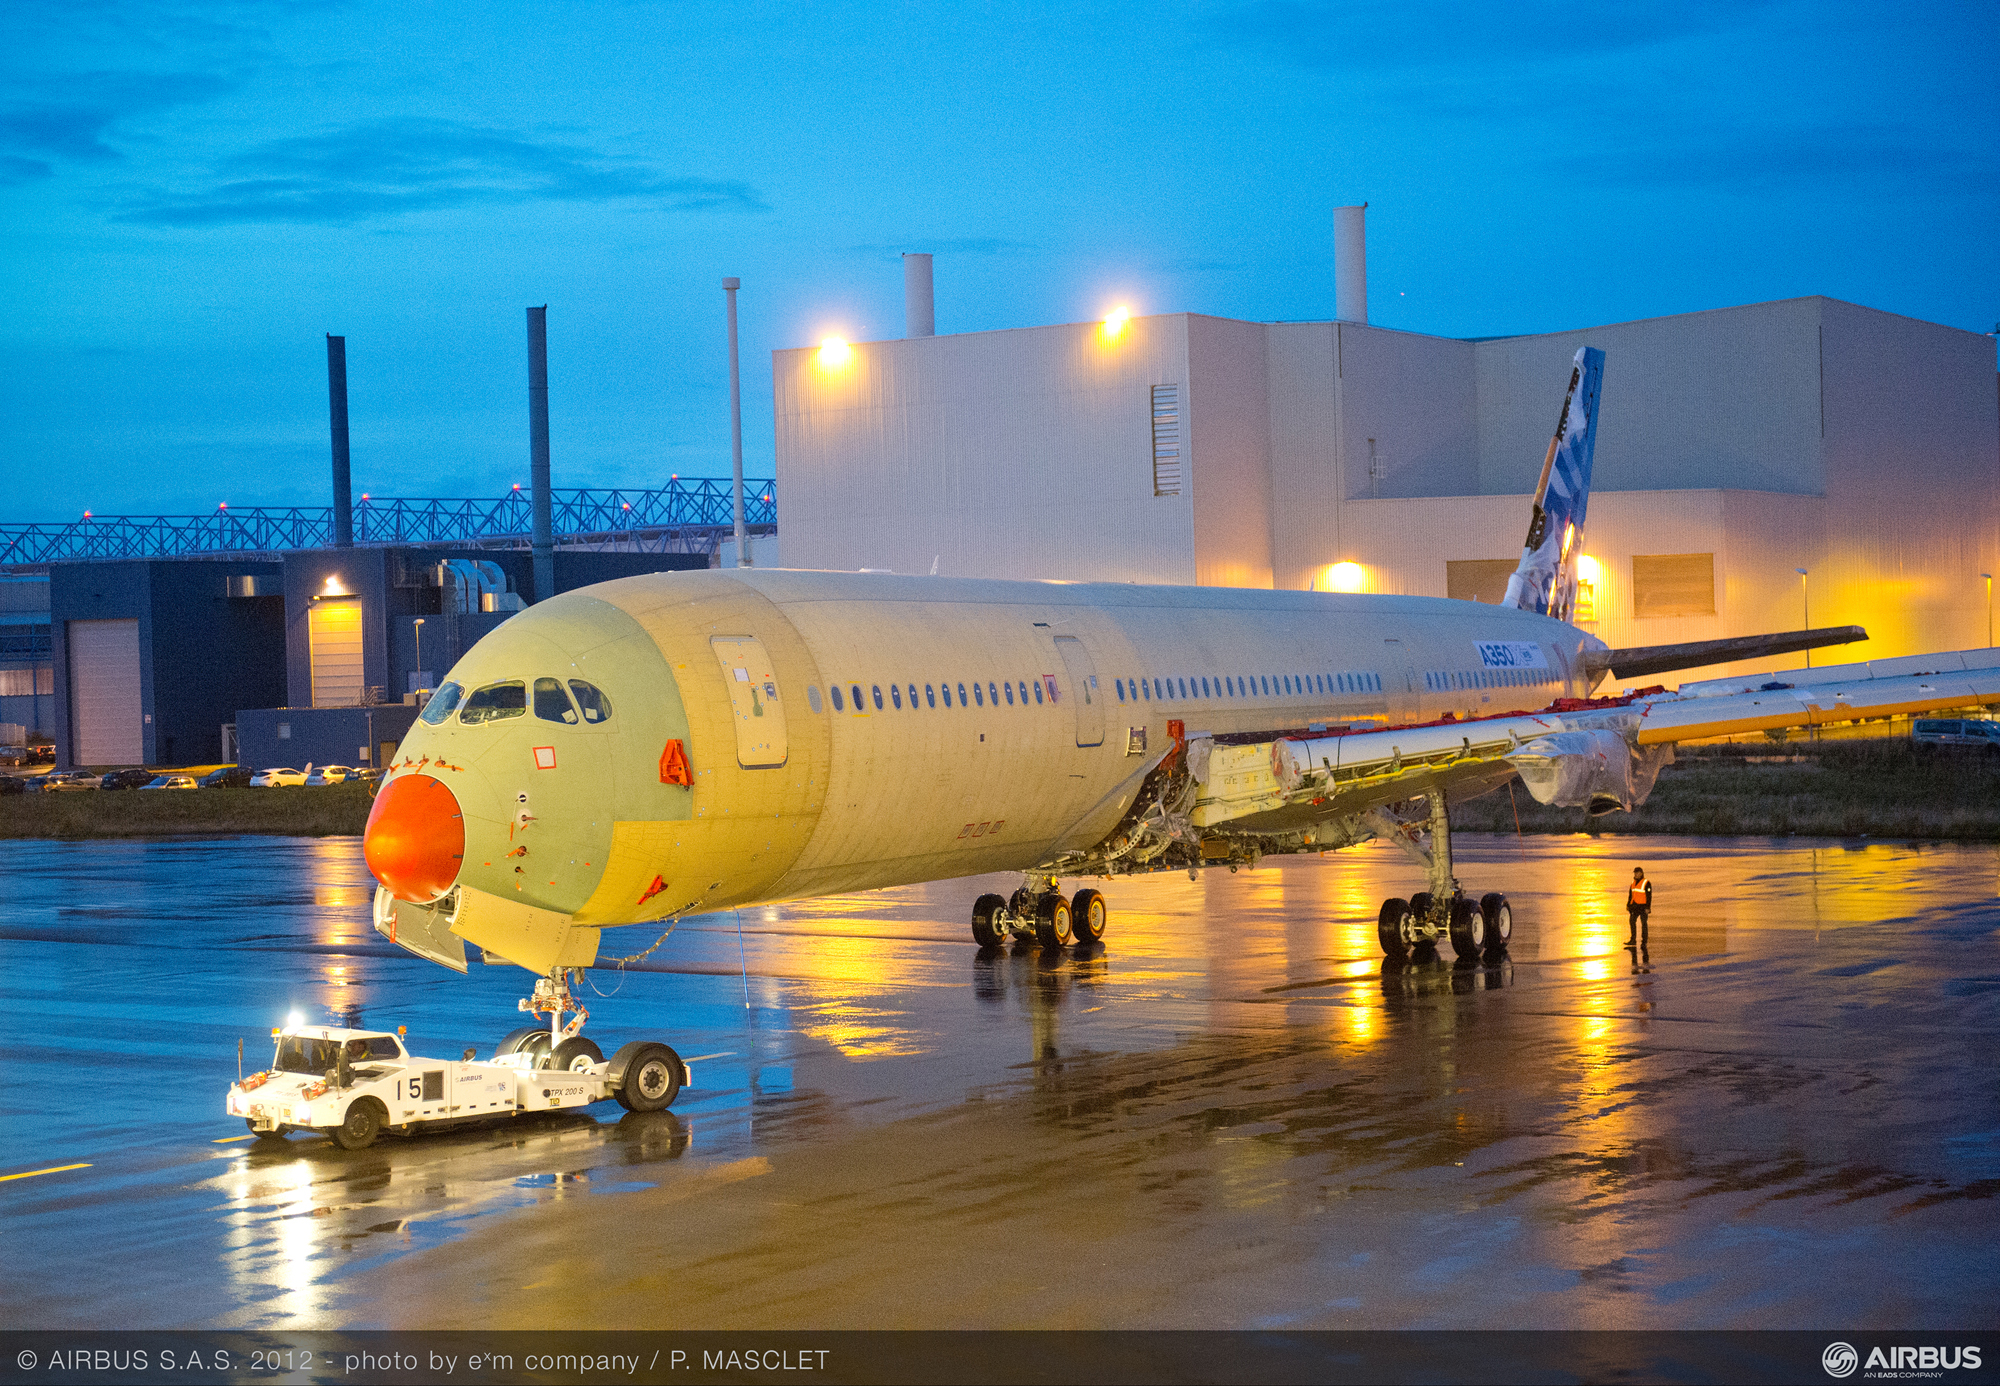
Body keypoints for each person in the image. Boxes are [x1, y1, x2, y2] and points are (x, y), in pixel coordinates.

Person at [1626, 867, 1653, 944]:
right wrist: (1628, 904)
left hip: (1643, 906)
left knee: (1644, 923)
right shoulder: (1633, 883)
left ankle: (1644, 941)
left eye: (1637, 873)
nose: (1636, 874)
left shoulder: (1646, 883)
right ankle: (1633, 940)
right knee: (1632, 921)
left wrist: (1648, 907)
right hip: (1634, 906)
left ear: (1641, 873)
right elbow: (1630, 895)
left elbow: (1649, 896)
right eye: (1635, 873)